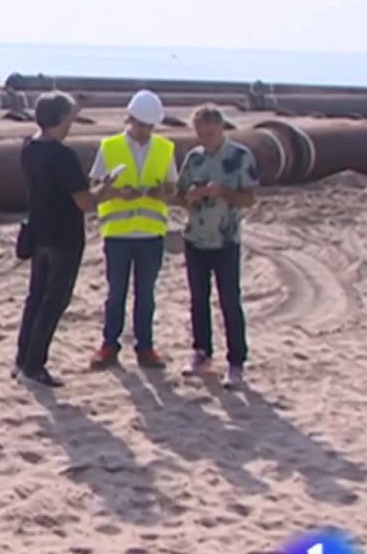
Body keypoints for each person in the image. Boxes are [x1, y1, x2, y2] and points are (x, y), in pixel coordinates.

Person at [15, 92, 114, 389]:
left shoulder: (30, 148)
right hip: (65, 236)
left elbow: (53, 122)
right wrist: (104, 189)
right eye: (69, 116)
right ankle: (35, 364)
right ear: (60, 119)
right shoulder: (64, 156)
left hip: (39, 232)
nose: (72, 120)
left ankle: (23, 360)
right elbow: (84, 202)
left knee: (36, 298)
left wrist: (73, 107)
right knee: (54, 301)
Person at [88, 89, 179, 371]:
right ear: (130, 119)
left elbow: (172, 188)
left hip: (151, 233)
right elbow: (94, 189)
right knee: (116, 293)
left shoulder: (165, 148)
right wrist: (116, 193)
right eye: (141, 125)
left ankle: (145, 347)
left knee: (146, 295)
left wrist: (160, 193)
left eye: (149, 127)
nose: (144, 131)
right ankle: (109, 345)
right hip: (118, 234)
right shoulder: (110, 146)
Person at [177, 104, 259, 387]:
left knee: (229, 301)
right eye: (200, 134)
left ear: (221, 129)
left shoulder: (240, 156)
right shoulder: (194, 158)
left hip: (225, 239)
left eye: (209, 134)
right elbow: (180, 195)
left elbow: (249, 198)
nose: (204, 140)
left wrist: (223, 192)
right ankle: (202, 353)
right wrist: (193, 195)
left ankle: (236, 361)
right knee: (198, 299)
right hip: (196, 238)